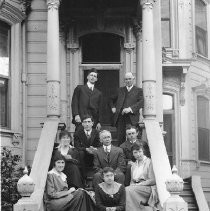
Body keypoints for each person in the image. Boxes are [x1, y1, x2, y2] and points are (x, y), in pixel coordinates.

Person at [110, 72, 144, 145]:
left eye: (129, 79)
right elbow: (111, 99)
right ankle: (121, 155)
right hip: (120, 117)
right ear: (124, 80)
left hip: (132, 118)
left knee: (133, 138)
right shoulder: (120, 90)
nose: (128, 81)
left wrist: (130, 109)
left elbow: (141, 102)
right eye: (126, 79)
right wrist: (113, 107)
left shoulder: (139, 90)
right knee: (120, 138)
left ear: (133, 79)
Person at [125, 142, 158, 211]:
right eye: (135, 152)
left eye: (140, 151)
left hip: (148, 188)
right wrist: (133, 186)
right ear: (132, 154)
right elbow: (132, 181)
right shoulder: (133, 165)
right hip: (136, 187)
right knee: (127, 189)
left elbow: (152, 180)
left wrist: (139, 185)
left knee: (128, 190)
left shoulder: (149, 162)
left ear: (143, 151)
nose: (138, 154)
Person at [74, 114, 101, 179]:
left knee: (99, 152)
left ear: (92, 123)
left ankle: (98, 175)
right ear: (82, 124)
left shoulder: (97, 133)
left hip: (94, 155)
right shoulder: (77, 133)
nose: (87, 124)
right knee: (80, 153)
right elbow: (76, 146)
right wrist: (86, 149)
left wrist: (94, 149)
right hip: (83, 156)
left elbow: (100, 145)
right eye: (85, 122)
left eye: (89, 122)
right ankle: (84, 177)